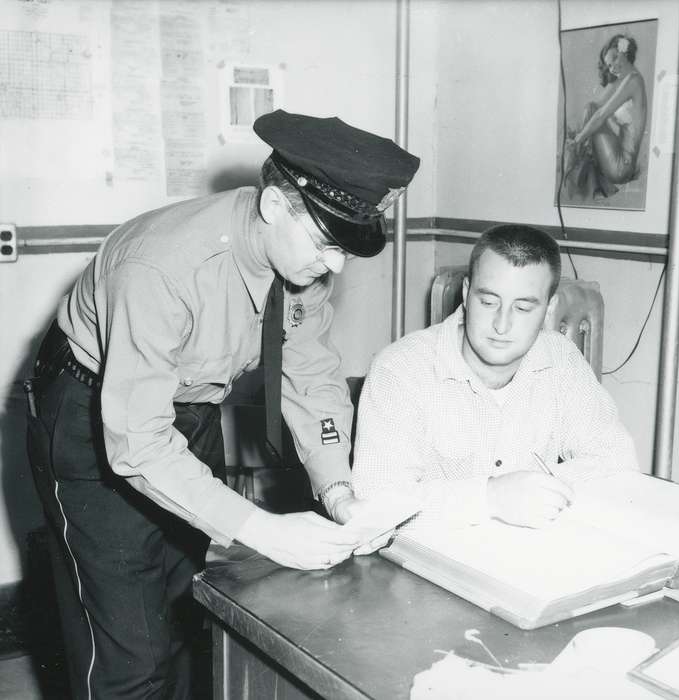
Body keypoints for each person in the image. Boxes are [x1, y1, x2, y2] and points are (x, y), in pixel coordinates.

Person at [24, 109, 419, 698]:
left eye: (342, 250)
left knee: (190, 610)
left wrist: (338, 489)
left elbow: (310, 376)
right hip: (94, 414)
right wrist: (261, 529)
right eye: (324, 243)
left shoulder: (300, 260)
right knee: (129, 652)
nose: (333, 266)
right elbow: (137, 440)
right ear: (273, 205)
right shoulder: (162, 266)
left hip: (188, 410)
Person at [351, 224, 637, 529]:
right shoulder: (401, 369)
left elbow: (618, 462)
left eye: (524, 307)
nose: (502, 324)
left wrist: (538, 489)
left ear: (549, 308)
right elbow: (375, 502)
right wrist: (490, 497)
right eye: (488, 302)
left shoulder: (562, 359)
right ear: (465, 292)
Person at [563, 33, 648, 200]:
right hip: (619, 157)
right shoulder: (624, 79)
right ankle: (575, 152)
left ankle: (574, 153)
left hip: (621, 167)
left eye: (615, 58)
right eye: (609, 65)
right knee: (590, 108)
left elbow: (601, 115)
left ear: (625, 51)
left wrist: (578, 139)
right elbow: (594, 106)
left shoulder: (634, 81)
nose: (613, 67)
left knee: (591, 116)